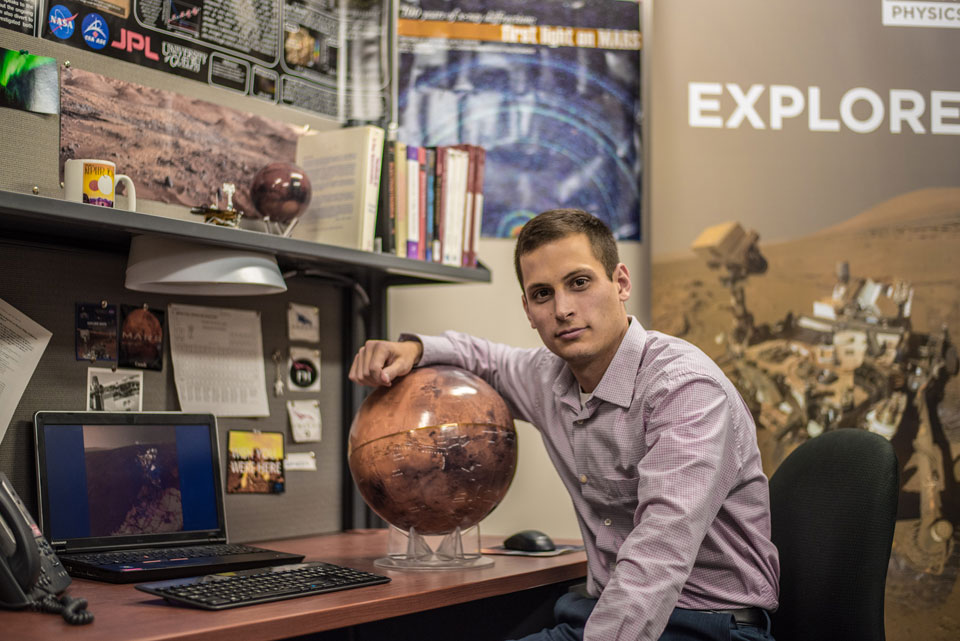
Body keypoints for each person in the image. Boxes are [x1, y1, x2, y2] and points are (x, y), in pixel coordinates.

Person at [349, 209, 780, 641]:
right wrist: (414, 349)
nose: (563, 309)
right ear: (528, 310)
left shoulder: (685, 390)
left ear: (620, 283)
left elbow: (658, 558)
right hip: (599, 613)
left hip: (707, 626)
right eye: (542, 294)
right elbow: (487, 359)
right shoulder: (550, 377)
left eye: (579, 283)